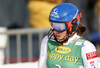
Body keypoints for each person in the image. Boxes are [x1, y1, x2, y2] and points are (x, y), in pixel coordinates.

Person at [38, 3, 98, 68]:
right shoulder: (47, 41)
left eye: (59, 27)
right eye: (52, 25)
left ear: (73, 26)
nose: (55, 31)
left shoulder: (86, 47)